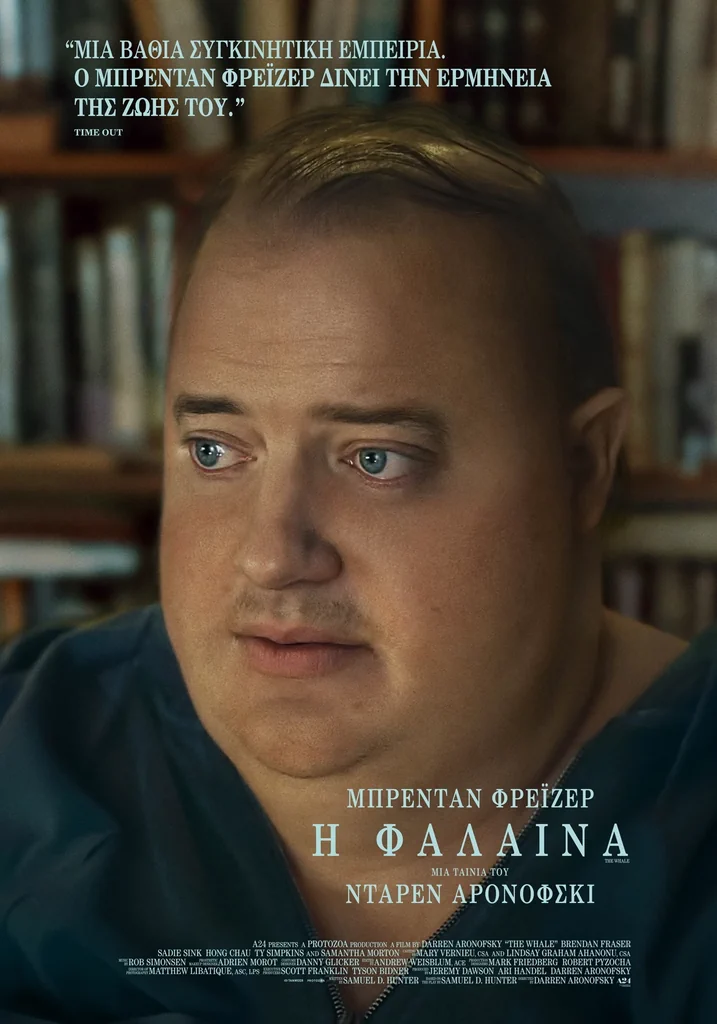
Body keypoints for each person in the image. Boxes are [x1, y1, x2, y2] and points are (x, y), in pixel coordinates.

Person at [1, 104, 716, 1024]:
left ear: (582, 466)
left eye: (375, 459)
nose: (271, 555)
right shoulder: (30, 756)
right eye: (216, 450)